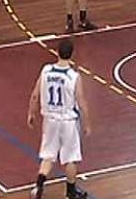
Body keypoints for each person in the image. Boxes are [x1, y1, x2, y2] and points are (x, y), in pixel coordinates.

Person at [27, 40, 91, 199]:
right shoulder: (74, 76)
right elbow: (82, 102)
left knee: (48, 155)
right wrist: (87, 124)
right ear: (72, 54)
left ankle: (38, 186)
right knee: (70, 157)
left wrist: (31, 113)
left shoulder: (46, 71)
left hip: (49, 119)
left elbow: (35, 95)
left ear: (57, 52)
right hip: (67, 121)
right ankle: (70, 191)